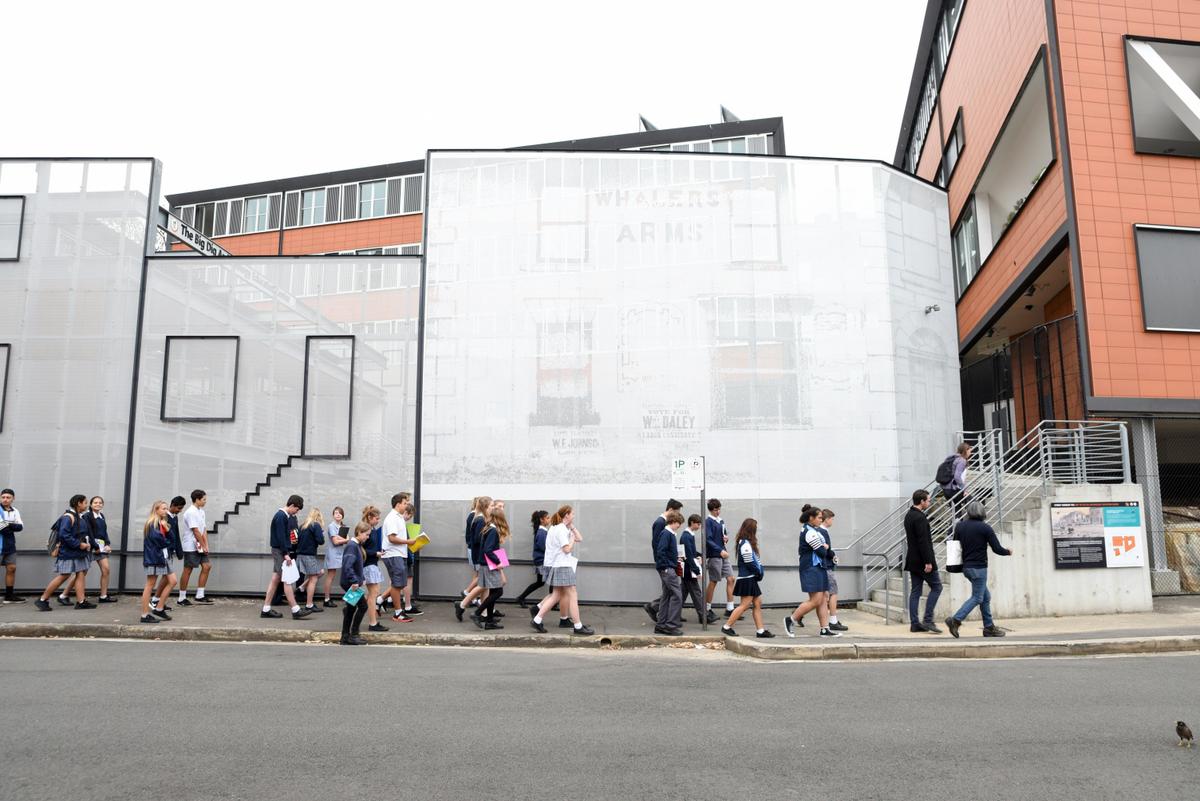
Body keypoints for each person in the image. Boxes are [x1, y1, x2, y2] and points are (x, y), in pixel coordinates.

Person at [945, 501, 1013, 639]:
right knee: (978, 597)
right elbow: (996, 549)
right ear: (982, 512)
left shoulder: (960, 526)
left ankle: (989, 627)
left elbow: (956, 544)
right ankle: (956, 620)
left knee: (985, 597)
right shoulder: (985, 528)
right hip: (979, 568)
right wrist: (1008, 551)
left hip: (966, 568)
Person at [529, 505, 594, 636]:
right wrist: (571, 540)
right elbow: (567, 549)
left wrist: (572, 527)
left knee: (556, 595)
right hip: (563, 565)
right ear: (566, 515)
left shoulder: (557, 528)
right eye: (572, 514)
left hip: (558, 565)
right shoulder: (560, 530)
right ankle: (578, 626)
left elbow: (580, 538)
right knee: (572, 594)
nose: (574, 515)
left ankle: (537, 620)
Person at [783, 505, 840, 638]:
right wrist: (825, 547)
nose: (821, 520)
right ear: (811, 518)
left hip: (818, 568)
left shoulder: (813, 530)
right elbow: (821, 552)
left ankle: (825, 629)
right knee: (816, 600)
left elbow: (823, 550)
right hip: (811, 568)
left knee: (823, 598)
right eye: (819, 518)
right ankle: (791, 619)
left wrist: (825, 548)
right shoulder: (810, 532)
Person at [35, 495, 93, 611]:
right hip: (69, 553)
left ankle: (81, 602)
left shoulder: (78, 517)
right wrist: (79, 544)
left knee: (80, 573)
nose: (87, 505)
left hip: (77, 552)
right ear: (79, 503)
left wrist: (86, 544)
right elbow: (64, 535)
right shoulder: (68, 517)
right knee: (64, 575)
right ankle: (42, 599)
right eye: (85, 503)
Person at [261, 494, 312, 620]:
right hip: (280, 551)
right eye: (297, 509)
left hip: (279, 550)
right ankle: (295, 609)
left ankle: (266, 609)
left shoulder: (281, 516)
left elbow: (281, 537)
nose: (297, 512)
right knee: (287, 580)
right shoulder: (281, 516)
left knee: (276, 579)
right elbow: (281, 537)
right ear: (292, 505)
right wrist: (285, 553)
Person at [722, 518, 773, 638]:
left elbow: (751, 561)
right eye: (755, 529)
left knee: (757, 603)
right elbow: (749, 562)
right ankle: (727, 627)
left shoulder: (744, 542)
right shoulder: (745, 543)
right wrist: (758, 572)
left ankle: (760, 631)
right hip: (747, 579)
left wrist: (758, 572)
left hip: (749, 578)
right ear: (751, 530)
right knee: (744, 605)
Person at [904, 489, 942, 634]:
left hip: (912, 559)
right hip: (922, 560)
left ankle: (915, 624)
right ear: (922, 501)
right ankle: (928, 620)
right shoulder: (920, 517)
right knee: (937, 587)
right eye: (928, 500)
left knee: (915, 591)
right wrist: (928, 561)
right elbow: (923, 541)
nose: (929, 502)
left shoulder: (909, 515)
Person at [643, 499, 683, 624]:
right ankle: (662, 614)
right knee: (673, 592)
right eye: (677, 512)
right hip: (665, 564)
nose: (677, 515)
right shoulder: (661, 523)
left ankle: (663, 617)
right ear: (671, 510)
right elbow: (658, 545)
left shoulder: (665, 525)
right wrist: (664, 564)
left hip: (666, 563)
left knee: (668, 591)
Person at [455, 496, 492, 621]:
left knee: (485, 585)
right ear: (485, 507)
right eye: (492, 506)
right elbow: (477, 539)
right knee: (483, 584)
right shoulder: (480, 519)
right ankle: (464, 603)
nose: (493, 508)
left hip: (482, 556)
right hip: (481, 556)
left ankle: (483, 612)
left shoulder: (481, 518)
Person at [381, 493, 415, 623]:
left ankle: (380, 601)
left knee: (399, 583)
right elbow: (392, 538)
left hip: (399, 554)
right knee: (397, 584)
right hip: (394, 554)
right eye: (405, 503)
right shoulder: (392, 518)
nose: (407, 505)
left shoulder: (399, 517)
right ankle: (398, 613)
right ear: (398, 504)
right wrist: (408, 542)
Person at [139, 501, 176, 623]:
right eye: (163, 508)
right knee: (150, 584)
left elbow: (171, 540)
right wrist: (168, 535)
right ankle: (144, 615)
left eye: (166, 508)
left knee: (173, 581)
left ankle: (159, 608)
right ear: (156, 510)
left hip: (163, 556)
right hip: (155, 558)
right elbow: (164, 542)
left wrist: (167, 530)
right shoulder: (152, 524)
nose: (166, 511)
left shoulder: (161, 523)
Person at [475, 508, 510, 630]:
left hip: (486, 564)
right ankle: (477, 613)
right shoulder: (493, 531)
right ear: (500, 518)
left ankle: (489, 621)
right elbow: (488, 550)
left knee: (493, 592)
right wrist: (498, 561)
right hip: (490, 565)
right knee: (498, 592)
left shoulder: (488, 528)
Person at [651, 510, 684, 635]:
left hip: (666, 568)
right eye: (679, 523)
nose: (679, 526)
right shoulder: (667, 534)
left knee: (666, 596)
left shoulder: (667, 533)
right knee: (677, 595)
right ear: (674, 521)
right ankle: (670, 625)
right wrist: (666, 566)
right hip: (668, 569)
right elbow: (661, 551)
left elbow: (663, 551)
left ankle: (661, 624)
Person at [178, 489, 212, 606]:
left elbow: (203, 529)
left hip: (200, 545)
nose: (205, 501)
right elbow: (196, 531)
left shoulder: (201, 511)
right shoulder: (190, 512)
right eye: (204, 499)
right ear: (197, 499)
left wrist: (206, 545)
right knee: (188, 570)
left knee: (207, 566)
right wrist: (203, 545)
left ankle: (200, 595)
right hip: (191, 546)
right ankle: (181, 598)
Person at [152, 496, 186, 612]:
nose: (180, 510)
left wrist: (179, 551)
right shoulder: (164, 518)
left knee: (166, 578)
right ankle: (156, 601)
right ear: (173, 505)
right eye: (179, 508)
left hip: (169, 551)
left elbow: (175, 535)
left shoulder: (174, 517)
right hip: (164, 552)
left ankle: (156, 600)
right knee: (168, 579)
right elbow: (162, 536)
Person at [339, 521, 369, 645]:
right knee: (363, 606)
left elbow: (355, 565)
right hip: (351, 583)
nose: (368, 537)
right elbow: (348, 565)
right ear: (359, 532)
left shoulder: (355, 545)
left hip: (351, 582)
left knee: (350, 609)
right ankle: (354, 634)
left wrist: (361, 578)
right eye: (367, 534)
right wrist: (355, 581)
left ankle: (345, 636)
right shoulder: (352, 546)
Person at [704, 499, 735, 618]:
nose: (718, 511)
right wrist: (720, 550)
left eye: (719, 509)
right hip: (715, 555)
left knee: (731, 578)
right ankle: (707, 609)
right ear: (710, 510)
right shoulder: (708, 522)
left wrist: (725, 538)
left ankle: (730, 608)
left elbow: (723, 534)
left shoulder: (721, 520)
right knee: (714, 581)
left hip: (723, 553)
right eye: (715, 510)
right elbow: (708, 539)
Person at [82, 496, 116, 603]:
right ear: (91, 504)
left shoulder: (101, 516)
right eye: (95, 502)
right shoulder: (87, 516)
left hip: (100, 547)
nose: (98, 504)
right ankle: (64, 595)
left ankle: (103, 596)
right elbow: (88, 532)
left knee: (106, 570)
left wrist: (107, 544)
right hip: (90, 547)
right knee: (82, 573)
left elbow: (104, 532)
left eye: (100, 503)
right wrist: (95, 547)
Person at [819, 508, 847, 632]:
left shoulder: (820, 531)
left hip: (824, 566)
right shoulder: (823, 532)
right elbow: (826, 550)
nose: (832, 521)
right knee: (833, 593)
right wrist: (833, 555)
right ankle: (833, 621)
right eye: (832, 519)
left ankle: (799, 614)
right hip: (827, 566)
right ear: (827, 519)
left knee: (822, 595)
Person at [515, 510, 549, 608]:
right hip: (542, 561)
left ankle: (521, 597)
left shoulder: (542, 531)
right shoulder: (542, 532)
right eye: (547, 518)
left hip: (541, 560)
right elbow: (544, 547)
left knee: (541, 582)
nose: (549, 520)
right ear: (541, 520)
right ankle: (553, 603)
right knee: (548, 582)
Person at [361, 507, 387, 632]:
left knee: (374, 594)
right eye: (376, 518)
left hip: (372, 564)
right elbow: (361, 549)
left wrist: (378, 552)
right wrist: (375, 553)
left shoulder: (373, 530)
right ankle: (373, 623)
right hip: (369, 564)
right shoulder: (366, 530)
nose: (378, 521)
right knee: (373, 595)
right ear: (370, 517)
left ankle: (354, 607)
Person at [296, 507, 326, 614]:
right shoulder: (315, 525)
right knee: (313, 579)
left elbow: (297, 540)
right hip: (309, 555)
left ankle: (302, 586)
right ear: (318, 516)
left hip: (300, 555)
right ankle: (309, 605)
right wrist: (321, 534)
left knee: (320, 572)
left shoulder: (302, 526)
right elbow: (321, 541)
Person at [0, 488, 25, 603]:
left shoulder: (15, 510)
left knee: (11, 568)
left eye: (8, 497)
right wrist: (11, 525)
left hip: (10, 545)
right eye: (3, 497)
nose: (5, 499)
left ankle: (9, 596)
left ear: (13, 499)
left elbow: (20, 527)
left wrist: (7, 524)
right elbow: (2, 529)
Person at [321, 506, 347, 607]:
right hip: (333, 553)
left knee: (342, 575)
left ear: (342, 515)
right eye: (336, 513)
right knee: (330, 576)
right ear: (333, 515)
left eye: (340, 513)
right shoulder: (331, 526)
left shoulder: (343, 527)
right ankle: (326, 599)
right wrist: (345, 540)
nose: (338, 515)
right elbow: (335, 542)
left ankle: (349, 598)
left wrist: (342, 539)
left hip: (340, 553)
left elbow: (343, 539)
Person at [937, 442, 971, 520]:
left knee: (957, 511)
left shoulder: (950, 458)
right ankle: (975, 521)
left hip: (945, 489)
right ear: (965, 450)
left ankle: (954, 527)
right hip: (953, 489)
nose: (970, 453)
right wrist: (964, 489)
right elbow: (957, 477)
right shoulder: (962, 460)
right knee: (972, 502)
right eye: (969, 451)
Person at [400, 501, 422, 617]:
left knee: (398, 581)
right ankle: (407, 605)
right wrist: (415, 543)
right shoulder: (401, 524)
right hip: (405, 555)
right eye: (410, 515)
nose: (410, 517)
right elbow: (406, 542)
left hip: (402, 555)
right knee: (407, 581)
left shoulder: (398, 522)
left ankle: (385, 600)